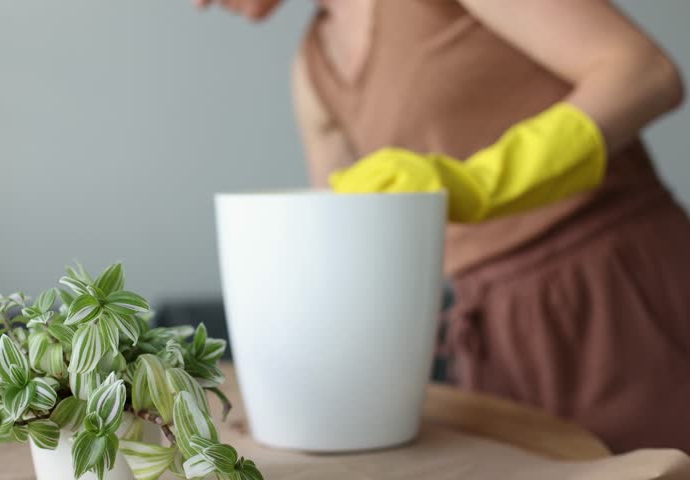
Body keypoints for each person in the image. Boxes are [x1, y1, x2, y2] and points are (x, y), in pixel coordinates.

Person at [194, 0, 690, 454]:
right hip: (489, 338)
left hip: (620, 296)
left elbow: (645, 72)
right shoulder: (313, 71)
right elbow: (344, 257)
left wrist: (478, 184)